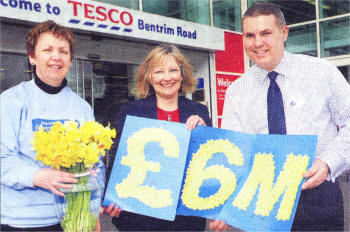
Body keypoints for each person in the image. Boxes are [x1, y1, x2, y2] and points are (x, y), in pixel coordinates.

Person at [210, 1, 350, 231]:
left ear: (284, 32)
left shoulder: (322, 73)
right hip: (261, 202)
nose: (258, 43)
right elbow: (234, 150)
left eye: (266, 33)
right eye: (250, 35)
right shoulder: (237, 91)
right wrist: (226, 202)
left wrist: (328, 162)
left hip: (317, 196)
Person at [0, 20, 105, 231]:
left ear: (70, 59)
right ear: (32, 57)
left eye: (63, 51)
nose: (56, 57)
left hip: (72, 220)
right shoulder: (11, 100)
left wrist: (94, 208)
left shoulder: (82, 107)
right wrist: (39, 177)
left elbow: (97, 165)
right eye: (47, 50)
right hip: (22, 221)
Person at [103, 44, 211, 231]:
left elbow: (209, 162)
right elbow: (117, 156)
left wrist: (204, 133)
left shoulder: (199, 111)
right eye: (159, 72)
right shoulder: (132, 111)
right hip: (140, 215)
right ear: (149, 77)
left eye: (173, 70)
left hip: (185, 218)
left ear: (182, 74)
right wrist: (110, 196)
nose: (167, 77)